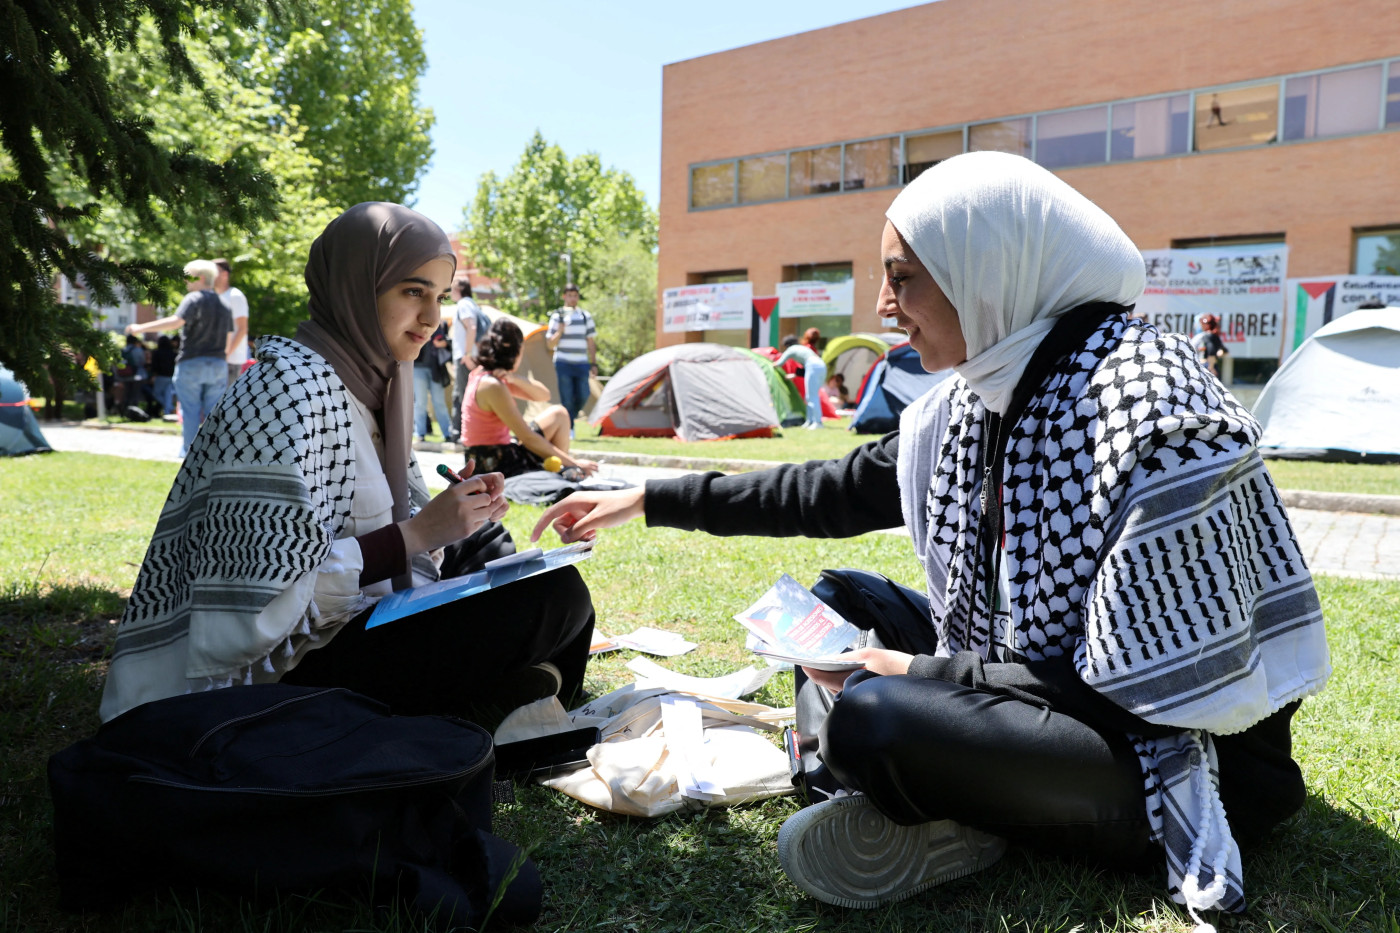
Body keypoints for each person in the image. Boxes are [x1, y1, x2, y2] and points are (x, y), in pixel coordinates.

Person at [528, 152, 1329, 926]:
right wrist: (649, 496)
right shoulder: (988, 390)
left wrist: (923, 669)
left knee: (876, 715)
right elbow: (832, 490)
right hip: (1046, 687)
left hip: (1176, 751)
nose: (882, 305)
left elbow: (1138, 693)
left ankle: (919, 792)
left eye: (903, 278)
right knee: (835, 603)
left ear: (987, 270)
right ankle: (932, 797)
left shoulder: (1154, 412)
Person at [101, 202, 596, 727]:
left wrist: (457, 514)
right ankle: (508, 696)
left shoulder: (379, 380)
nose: (431, 318)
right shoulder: (286, 389)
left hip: (351, 616)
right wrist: (415, 536)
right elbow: (255, 614)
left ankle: (507, 694)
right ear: (358, 287)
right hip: (275, 676)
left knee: (494, 550)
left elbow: (392, 516)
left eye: (439, 297)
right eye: (412, 291)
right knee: (552, 599)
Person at [462, 319, 599, 479]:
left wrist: (515, 378)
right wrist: (574, 463)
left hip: (494, 452)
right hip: (491, 462)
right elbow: (526, 436)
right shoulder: (492, 385)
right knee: (553, 443)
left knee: (559, 414)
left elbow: (544, 395)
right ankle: (564, 472)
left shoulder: (486, 374)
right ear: (516, 353)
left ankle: (561, 470)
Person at [126, 259, 233, 457]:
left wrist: (140, 328)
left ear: (200, 277)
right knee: (213, 414)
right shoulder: (224, 304)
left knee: (190, 411)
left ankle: (189, 456)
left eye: (188, 276)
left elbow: (176, 322)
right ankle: (212, 457)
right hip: (218, 364)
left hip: (192, 362)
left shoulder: (193, 299)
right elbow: (229, 339)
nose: (185, 281)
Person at [545, 284, 597, 432]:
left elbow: (591, 342)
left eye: (575, 295)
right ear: (564, 297)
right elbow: (549, 344)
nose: (573, 298)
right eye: (570, 295)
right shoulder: (557, 316)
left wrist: (594, 363)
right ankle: (570, 428)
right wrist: (560, 331)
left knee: (583, 395)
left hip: (581, 363)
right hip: (563, 363)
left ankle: (570, 419)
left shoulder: (585, 317)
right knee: (567, 398)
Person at [449, 278, 490, 432]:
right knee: (468, 394)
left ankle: (462, 432)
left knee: (463, 395)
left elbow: (471, 327)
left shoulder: (464, 304)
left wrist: (466, 354)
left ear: (458, 289)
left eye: (452, 288)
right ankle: (466, 431)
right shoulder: (472, 304)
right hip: (471, 356)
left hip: (466, 357)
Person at [412, 320, 457, 442]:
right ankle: (420, 433)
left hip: (436, 369)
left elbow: (447, 342)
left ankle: (447, 434)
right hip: (418, 367)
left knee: (439, 402)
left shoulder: (439, 324)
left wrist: (441, 343)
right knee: (420, 402)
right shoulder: (415, 323)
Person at [776, 329, 827, 428]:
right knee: (811, 396)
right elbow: (805, 368)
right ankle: (809, 421)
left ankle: (817, 422)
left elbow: (780, 362)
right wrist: (794, 375)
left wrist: (770, 364)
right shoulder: (801, 348)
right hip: (821, 365)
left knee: (812, 396)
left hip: (812, 366)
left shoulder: (791, 349)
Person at [214, 258, 250, 387]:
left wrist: (225, 354)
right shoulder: (215, 297)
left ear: (224, 274)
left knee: (224, 403)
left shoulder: (235, 295)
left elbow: (242, 329)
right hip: (217, 360)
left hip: (230, 361)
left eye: (213, 271)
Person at [149, 334, 177, 416]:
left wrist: (153, 375)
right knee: (168, 395)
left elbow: (154, 365)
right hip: (171, 376)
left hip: (160, 376)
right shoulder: (173, 353)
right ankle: (168, 410)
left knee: (156, 394)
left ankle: (169, 409)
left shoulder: (157, 353)